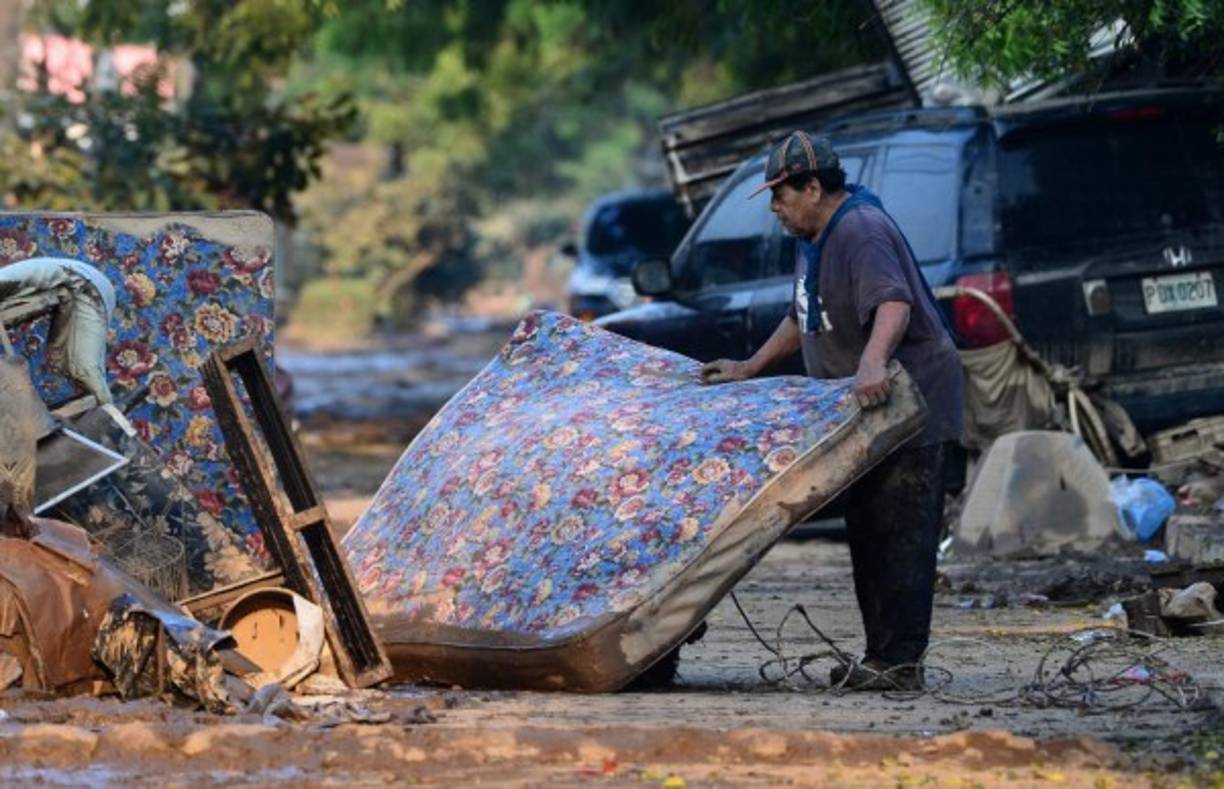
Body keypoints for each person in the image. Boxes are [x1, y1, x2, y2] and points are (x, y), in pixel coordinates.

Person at [700, 131, 963, 690]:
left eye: (781, 195)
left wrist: (872, 361)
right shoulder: (813, 236)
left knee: (901, 533)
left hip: (911, 403)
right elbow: (802, 317)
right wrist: (751, 366)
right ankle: (881, 657)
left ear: (813, 187)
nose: (775, 208)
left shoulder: (861, 230)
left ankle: (900, 664)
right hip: (871, 409)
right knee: (868, 529)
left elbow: (893, 301)